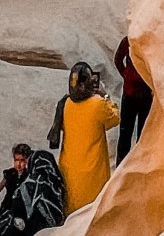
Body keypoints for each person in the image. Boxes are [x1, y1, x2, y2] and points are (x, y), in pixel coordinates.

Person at [50, 66, 119, 214]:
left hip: (69, 172)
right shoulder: (98, 104)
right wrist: (106, 96)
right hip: (93, 174)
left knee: (71, 212)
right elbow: (114, 118)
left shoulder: (65, 104)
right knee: (91, 212)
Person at [113, 35, 153, 163]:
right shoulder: (128, 40)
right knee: (125, 132)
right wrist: (126, 74)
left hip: (146, 94)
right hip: (130, 94)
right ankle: (121, 164)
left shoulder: (149, 41)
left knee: (143, 134)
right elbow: (118, 59)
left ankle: (139, 163)